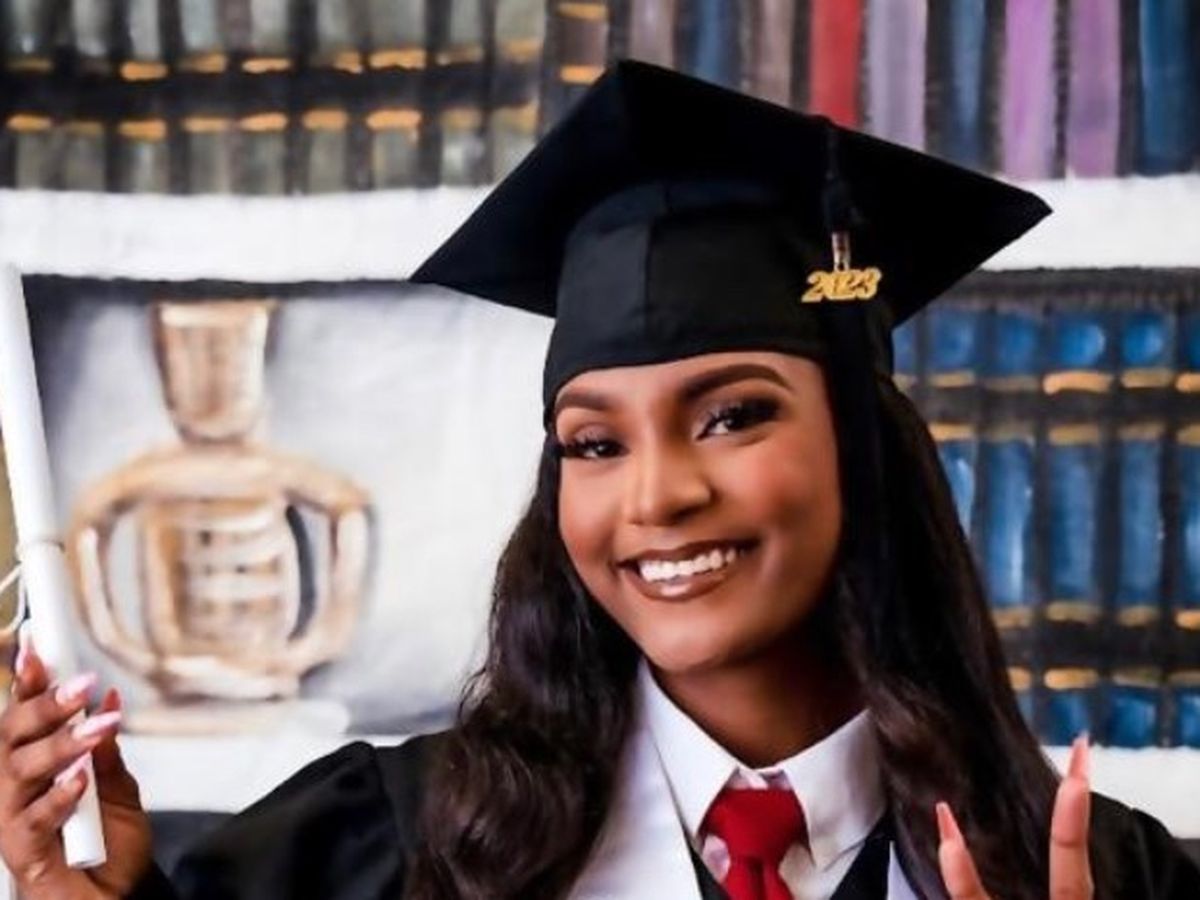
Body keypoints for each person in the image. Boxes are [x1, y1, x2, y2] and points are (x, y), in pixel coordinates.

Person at [1, 60, 1197, 900]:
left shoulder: (1092, 875)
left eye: (732, 416)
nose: (657, 495)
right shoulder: (384, 852)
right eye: (594, 443)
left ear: (861, 445)